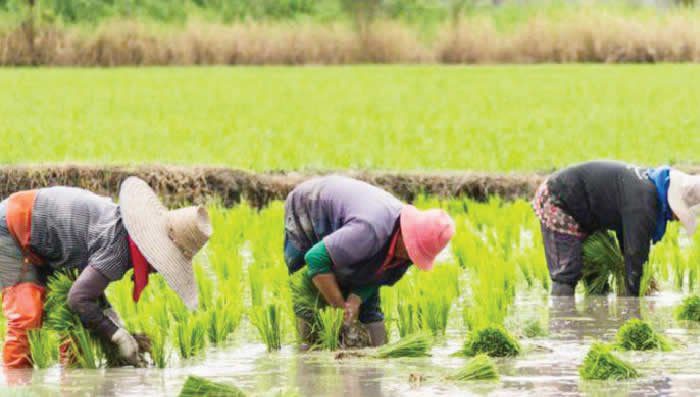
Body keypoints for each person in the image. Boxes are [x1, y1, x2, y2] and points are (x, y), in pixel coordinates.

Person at [0, 176, 212, 368]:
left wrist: (115, 325)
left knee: (76, 330)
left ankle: (73, 385)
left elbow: (89, 293)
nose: (159, 269)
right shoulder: (120, 249)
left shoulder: (126, 237)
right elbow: (79, 298)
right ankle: (15, 385)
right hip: (13, 227)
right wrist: (117, 335)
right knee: (27, 316)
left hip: (53, 241)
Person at [284, 175, 455, 347]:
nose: (412, 258)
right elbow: (315, 259)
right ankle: (308, 351)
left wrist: (355, 300)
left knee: (367, 306)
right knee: (307, 294)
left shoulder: (403, 254)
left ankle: (374, 353)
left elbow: (378, 276)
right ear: (405, 233)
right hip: (310, 204)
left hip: (353, 224)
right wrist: (339, 307)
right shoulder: (369, 230)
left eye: (418, 255)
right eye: (413, 250)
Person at [533, 160, 700, 296]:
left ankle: (592, 323)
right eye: (681, 214)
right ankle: (562, 327)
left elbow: (627, 240)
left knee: (599, 274)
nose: (677, 220)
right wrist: (634, 301)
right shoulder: (644, 203)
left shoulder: (649, 187)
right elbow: (636, 253)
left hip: (584, 210)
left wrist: (639, 281)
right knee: (566, 274)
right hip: (558, 200)